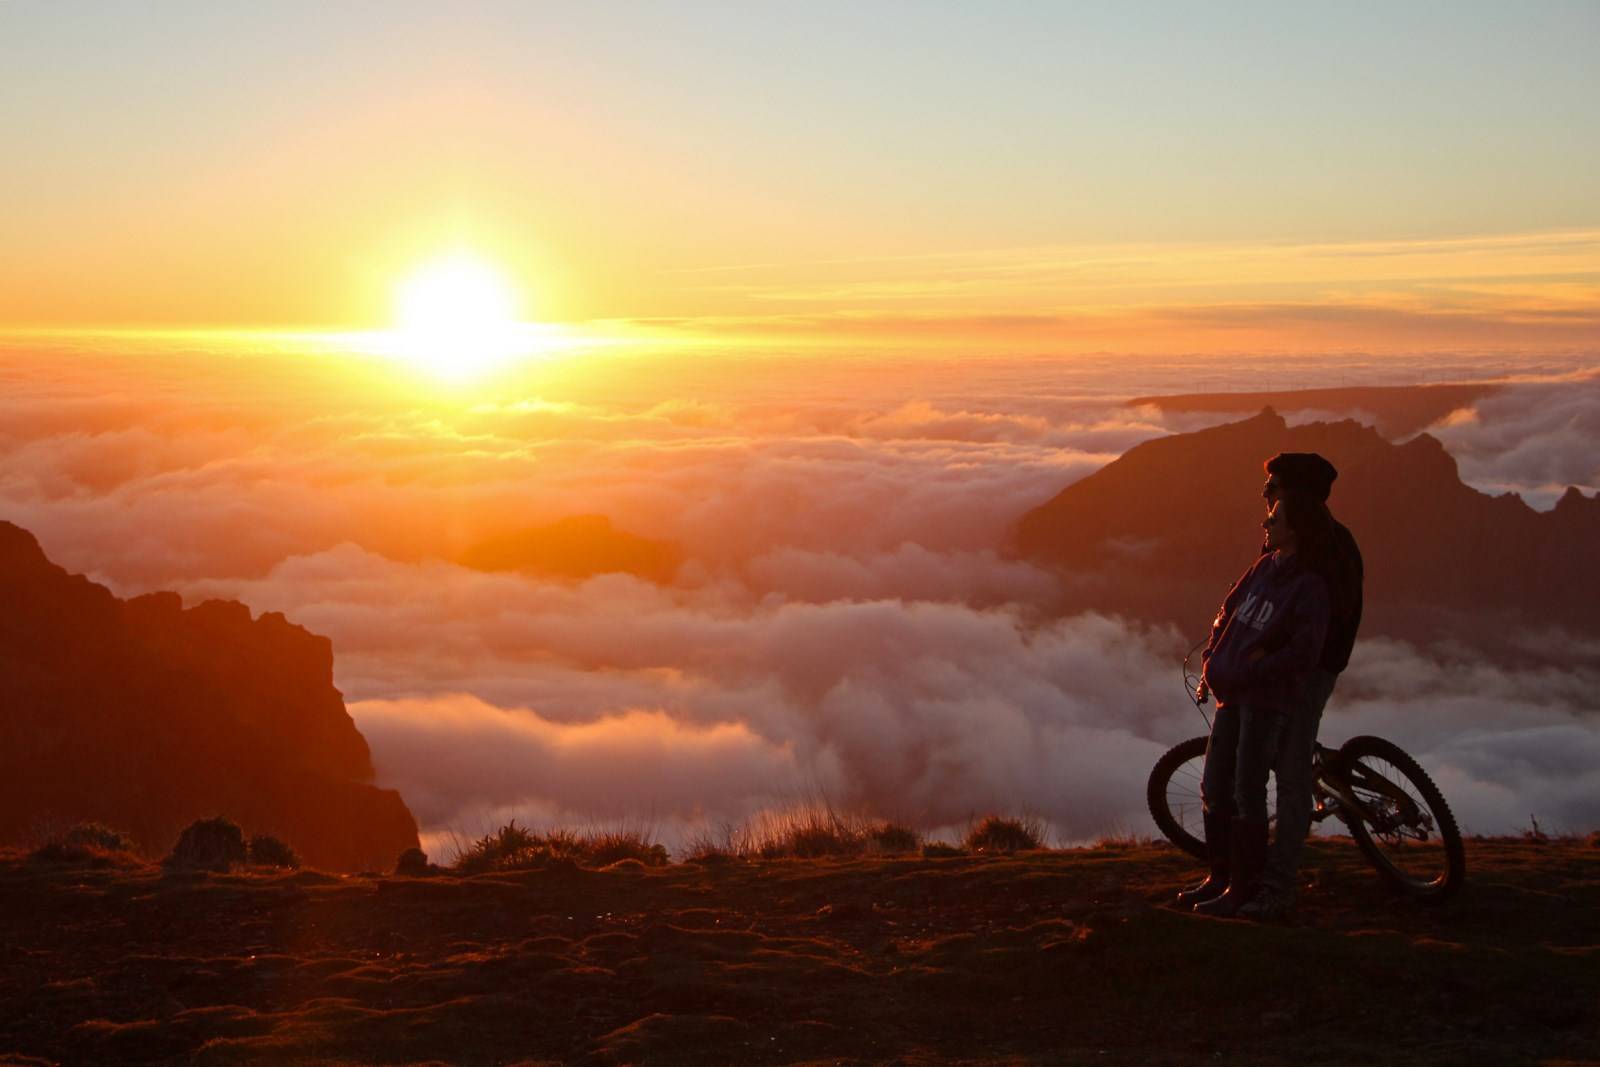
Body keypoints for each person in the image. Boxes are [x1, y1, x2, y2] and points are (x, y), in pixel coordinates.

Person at [1179, 488, 1334, 917]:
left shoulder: (1310, 588)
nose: (1266, 523)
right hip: (1233, 692)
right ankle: (1222, 877)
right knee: (1215, 785)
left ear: (1297, 529)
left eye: (1276, 518)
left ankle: (1242, 887)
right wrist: (1213, 658)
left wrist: (1250, 669)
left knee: (1248, 789)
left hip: (1266, 699)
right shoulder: (1264, 567)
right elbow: (1228, 613)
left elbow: (1304, 652)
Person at [1238, 453, 1364, 920]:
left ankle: (1279, 885)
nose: (1265, 495)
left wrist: (1276, 657)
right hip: (1282, 670)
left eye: (1272, 487)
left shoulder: (1328, 549)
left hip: (1308, 674)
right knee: (1282, 762)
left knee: (1291, 778)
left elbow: (1327, 626)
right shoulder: (1292, 542)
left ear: (1293, 494)